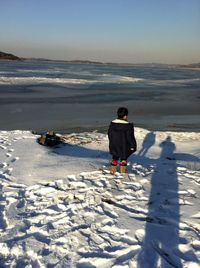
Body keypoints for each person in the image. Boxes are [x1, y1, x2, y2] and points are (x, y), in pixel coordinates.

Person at [108, 107, 137, 174]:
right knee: (124, 157)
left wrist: (112, 141)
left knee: (115, 157)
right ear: (125, 116)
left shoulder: (112, 124)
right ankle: (122, 171)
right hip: (124, 145)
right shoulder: (128, 126)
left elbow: (109, 134)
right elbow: (130, 137)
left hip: (114, 144)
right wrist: (133, 146)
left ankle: (113, 170)